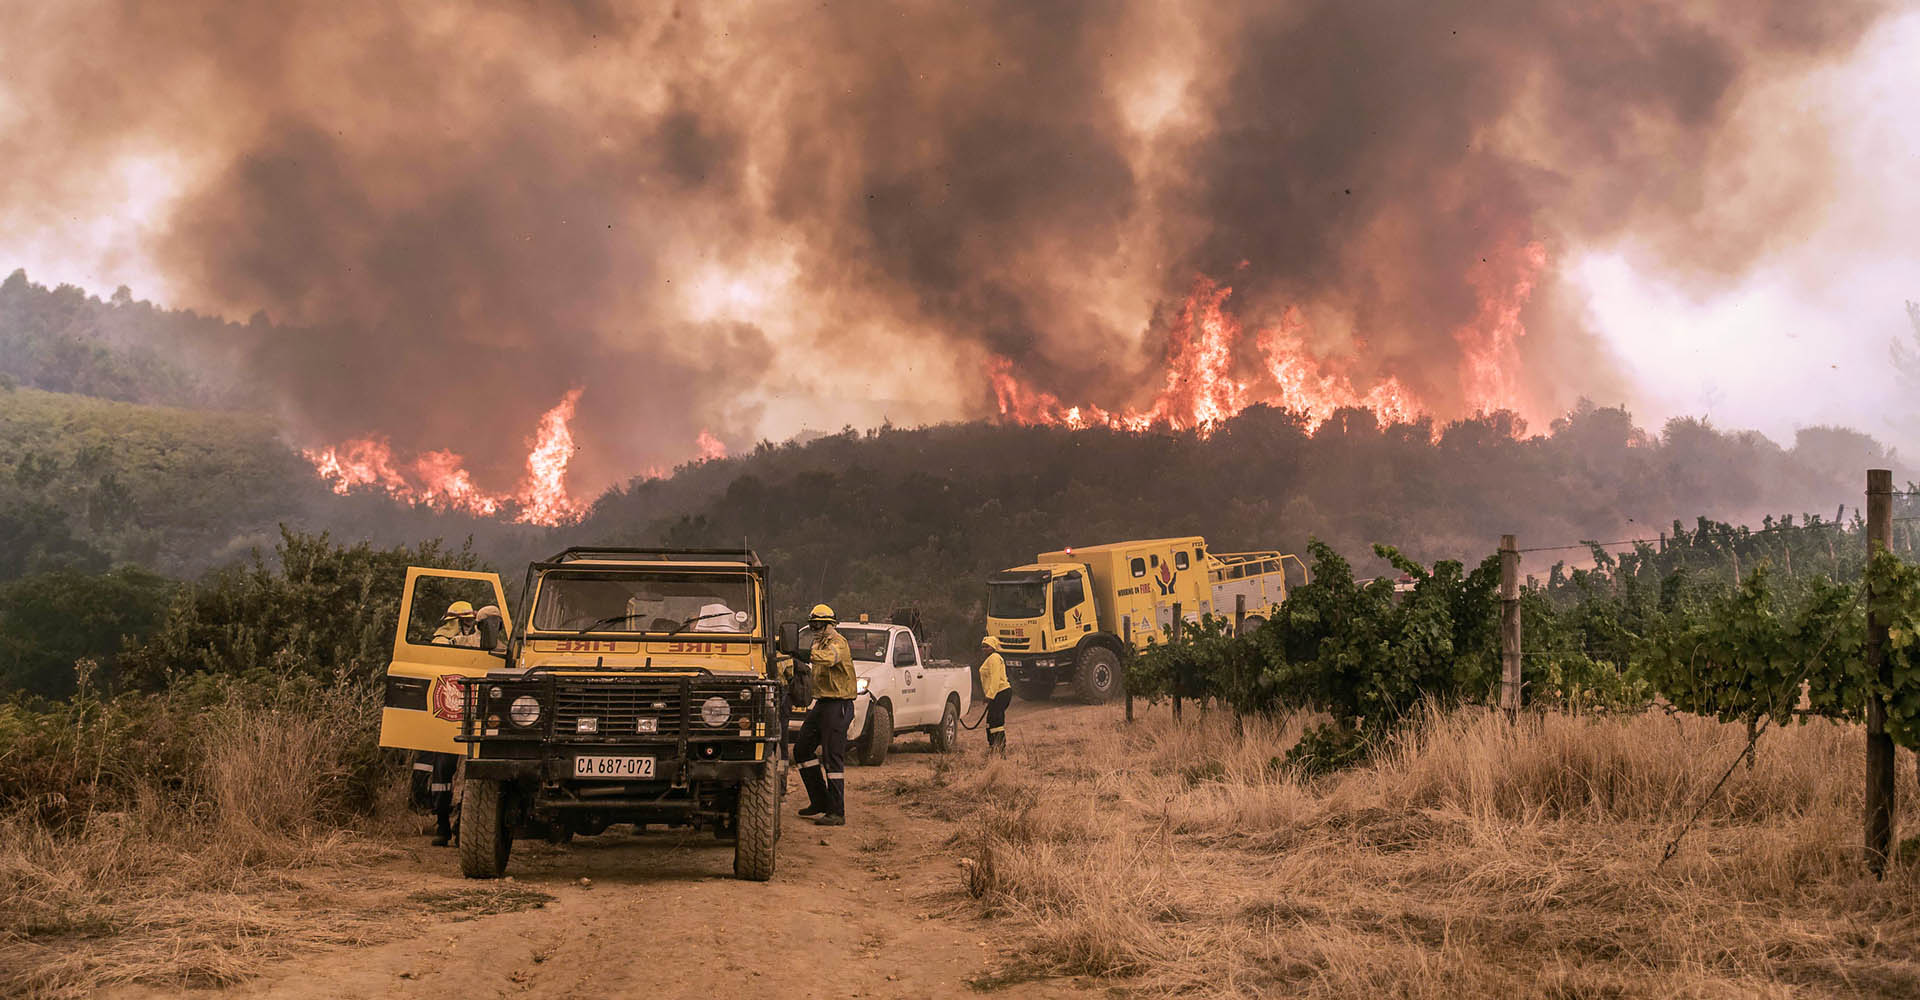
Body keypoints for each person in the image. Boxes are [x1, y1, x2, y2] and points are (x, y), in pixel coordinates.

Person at [792, 604, 855, 826]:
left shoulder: (838, 642)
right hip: (822, 704)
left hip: (838, 705)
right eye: (812, 624)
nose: (814, 628)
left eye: (818, 624)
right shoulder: (817, 642)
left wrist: (802, 653)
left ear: (830, 624)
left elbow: (828, 659)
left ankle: (837, 813)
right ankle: (820, 802)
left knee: (832, 756)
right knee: (801, 750)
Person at [423, 600, 479, 846]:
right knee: (443, 773)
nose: (469, 624)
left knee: (475, 775)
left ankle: (462, 827)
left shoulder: (483, 641)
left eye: (471, 620)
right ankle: (442, 824)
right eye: (465, 620)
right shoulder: (441, 641)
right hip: (448, 716)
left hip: (474, 717)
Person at [979, 636, 1011, 753]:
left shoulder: (994, 658)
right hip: (997, 694)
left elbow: (995, 678)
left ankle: (999, 748)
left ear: (993, 647)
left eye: (987, 646)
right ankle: (994, 746)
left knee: (996, 720)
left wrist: (990, 695)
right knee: (991, 720)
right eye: (983, 647)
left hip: (1000, 693)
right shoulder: (992, 658)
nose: (984, 649)